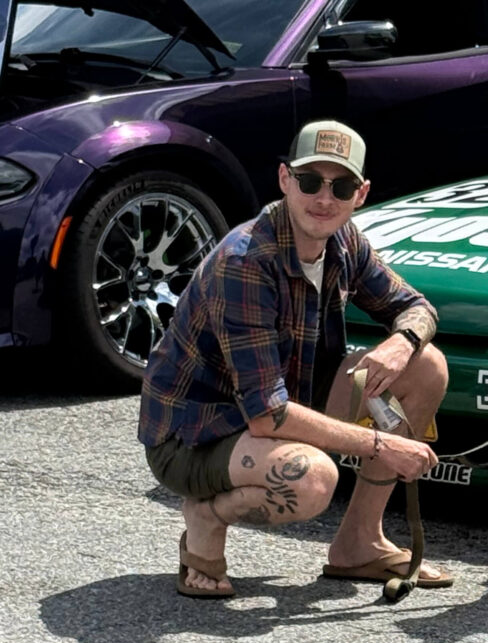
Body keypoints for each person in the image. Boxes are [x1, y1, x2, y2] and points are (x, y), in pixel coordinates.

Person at [139, 120, 452, 597]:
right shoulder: (246, 261)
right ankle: (206, 516)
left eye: (341, 185)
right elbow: (267, 414)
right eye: (310, 182)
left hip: (274, 410)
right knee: (310, 482)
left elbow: (418, 308)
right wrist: (382, 446)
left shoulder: (344, 241)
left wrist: (402, 341)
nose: (324, 199)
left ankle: (358, 545)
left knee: (427, 366)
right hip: (195, 437)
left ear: (360, 193)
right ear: (285, 179)